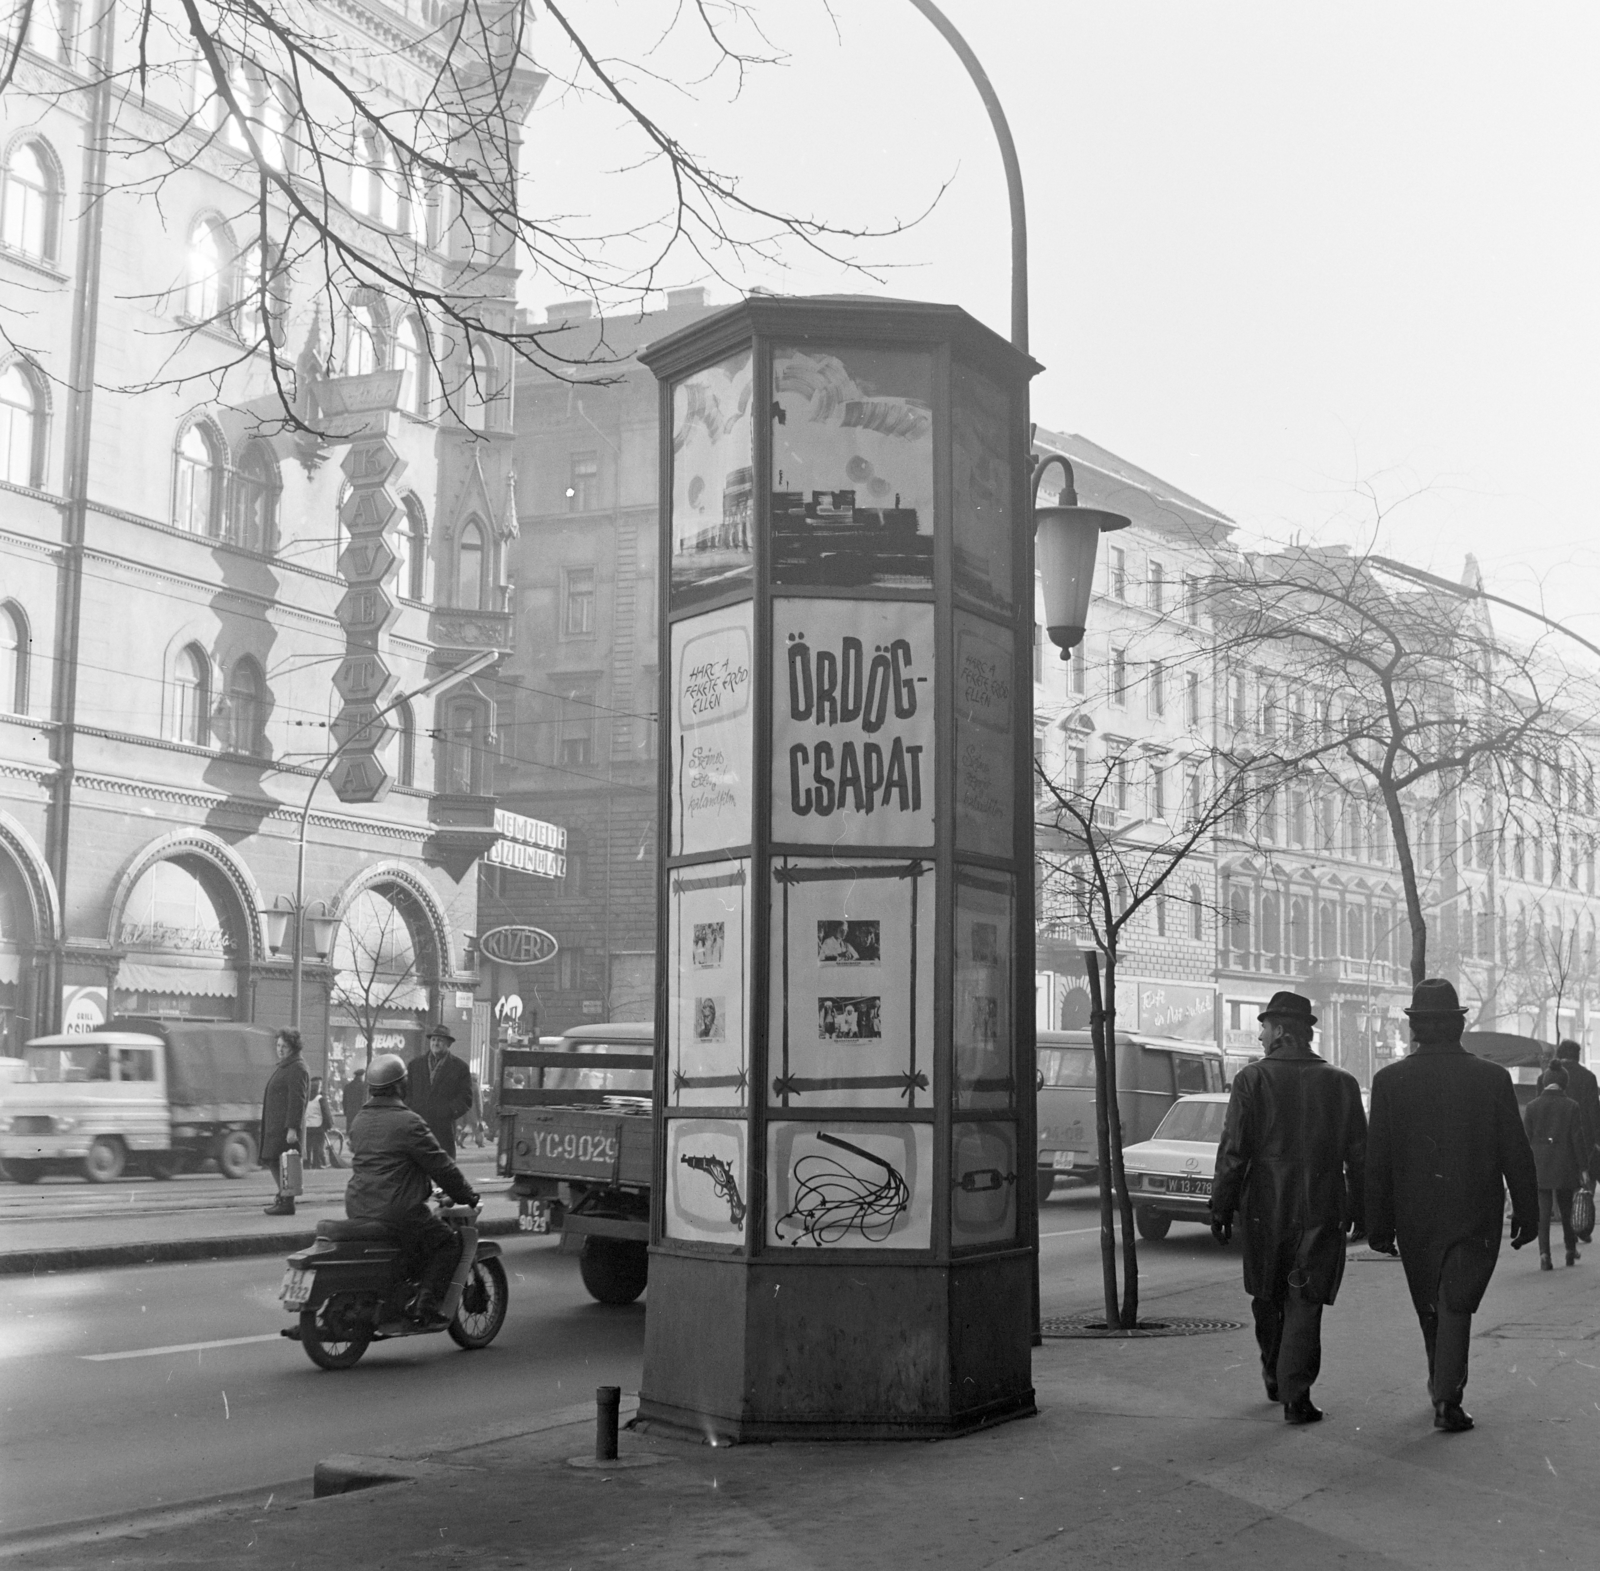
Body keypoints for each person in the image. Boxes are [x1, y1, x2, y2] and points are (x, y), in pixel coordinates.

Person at [1366, 978, 1539, 1434]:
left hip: (1415, 1213)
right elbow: (1515, 1152)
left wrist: (1377, 1224)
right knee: (1456, 1302)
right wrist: (1528, 1212)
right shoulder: (1492, 1078)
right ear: (1459, 1026)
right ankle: (1446, 1397)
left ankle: (1441, 1385)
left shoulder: (1389, 1081)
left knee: (1431, 1302)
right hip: (1474, 1209)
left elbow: (1377, 1161)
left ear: (1416, 1028)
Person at [1211, 990, 1367, 1426]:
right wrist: (1361, 1209)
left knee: (1267, 1294)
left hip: (1266, 1205)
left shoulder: (1252, 1079)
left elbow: (1234, 1149)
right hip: (1322, 1205)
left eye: (1263, 1028)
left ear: (1279, 1030)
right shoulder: (1341, 1083)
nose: (1260, 1036)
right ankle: (1296, 1393)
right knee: (1305, 1299)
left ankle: (1276, 1374)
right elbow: (1360, 1157)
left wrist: (1221, 1205)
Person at [344, 1053, 480, 1326]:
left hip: (358, 1206)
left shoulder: (360, 1120)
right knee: (447, 1243)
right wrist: (467, 1194)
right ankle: (426, 1303)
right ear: (400, 1086)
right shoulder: (409, 1122)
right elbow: (441, 1165)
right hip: (399, 1211)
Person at [1522, 1061, 1589, 1270]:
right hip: (1565, 1164)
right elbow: (1577, 1139)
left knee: (1543, 1212)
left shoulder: (1532, 1106)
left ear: (1545, 1082)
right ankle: (1570, 1251)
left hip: (1539, 1165)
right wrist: (1583, 1168)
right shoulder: (1571, 1106)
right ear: (1564, 1082)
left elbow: (1525, 1139)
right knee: (1567, 1209)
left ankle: (1544, 1255)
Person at [259, 1028, 310, 1216]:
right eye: (278, 1045)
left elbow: (298, 1099)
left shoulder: (297, 1067)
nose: (280, 1050)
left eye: (284, 1046)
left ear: (293, 1047)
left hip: (285, 1128)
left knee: (279, 1160)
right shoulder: (286, 1066)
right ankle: (284, 1197)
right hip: (276, 1126)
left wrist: (292, 1128)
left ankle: (286, 1201)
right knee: (273, 1159)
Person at [1554, 1040, 1599, 1244]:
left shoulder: (1548, 1077)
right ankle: (1583, 1223)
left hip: (1557, 1139)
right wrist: (1597, 1139)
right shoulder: (1588, 1077)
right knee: (1585, 1182)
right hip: (1584, 1138)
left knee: (1564, 1186)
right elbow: (1593, 1112)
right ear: (1578, 1055)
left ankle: (1569, 1231)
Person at [406, 1025, 474, 1158]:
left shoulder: (460, 1068)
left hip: (443, 1130)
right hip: (417, 1127)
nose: (435, 1043)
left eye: (440, 1040)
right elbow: (405, 1092)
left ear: (448, 1044)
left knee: (443, 1165)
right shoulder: (415, 1065)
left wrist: (448, 1112)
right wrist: (412, 1110)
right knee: (416, 1166)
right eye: (433, 1040)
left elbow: (465, 1098)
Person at [303, 1076, 332, 1169]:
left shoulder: (305, 1098)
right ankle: (317, 1163)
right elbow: (326, 1113)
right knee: (318, 1146)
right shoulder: (321, 1099)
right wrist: (329, 1125)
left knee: (307, 1146)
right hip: (318, 1126)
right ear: (319, 1088)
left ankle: (307, 1163)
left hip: (307, 1126)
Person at [341, 1066, 366, 1132]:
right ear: (361, 1076)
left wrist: (345, 1111)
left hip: (350, 1112)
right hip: (360, 1112)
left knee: (350, 1131)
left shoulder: (348, 1086)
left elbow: (344, 1101)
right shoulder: (363, 1087)